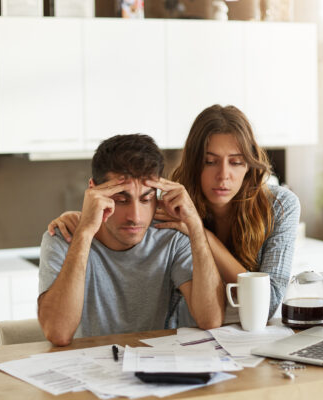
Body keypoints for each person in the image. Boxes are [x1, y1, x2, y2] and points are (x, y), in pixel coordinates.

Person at [48, 105, 300, 325]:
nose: (223, 175)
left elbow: (268, 303)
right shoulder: (172, 202)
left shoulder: (279, 206)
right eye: (210, 161)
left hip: (254, 333)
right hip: (191, 338)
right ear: (194, 161)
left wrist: (199, 232)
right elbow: (129, 207)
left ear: (249, 164)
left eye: (235, 162)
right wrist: (80, 220)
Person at [38, 134, 225, 346]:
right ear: (93, 191)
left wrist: (195, 226)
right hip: (90, 370)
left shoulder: (171, 237)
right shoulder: (65, 237)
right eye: (121, 200)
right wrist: (84, 234)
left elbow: (211, 320)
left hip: (159, 366)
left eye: (146, 199)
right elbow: (58, 333)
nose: (135, 216)